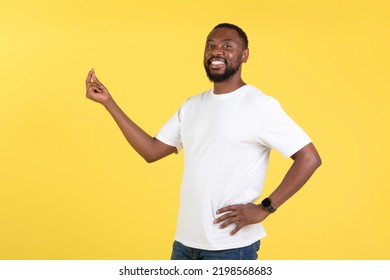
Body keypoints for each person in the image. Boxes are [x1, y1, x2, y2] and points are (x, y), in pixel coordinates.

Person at [85, 23, 321, 260]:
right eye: (211, 45)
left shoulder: (259, 105)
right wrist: (109, 102)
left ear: (244, 55)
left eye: (227, 46)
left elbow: (309, 158)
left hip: (231, 248)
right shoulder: (192, 106)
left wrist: (266, 208)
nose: (216, 51)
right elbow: (151, 151)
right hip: (185, 245)